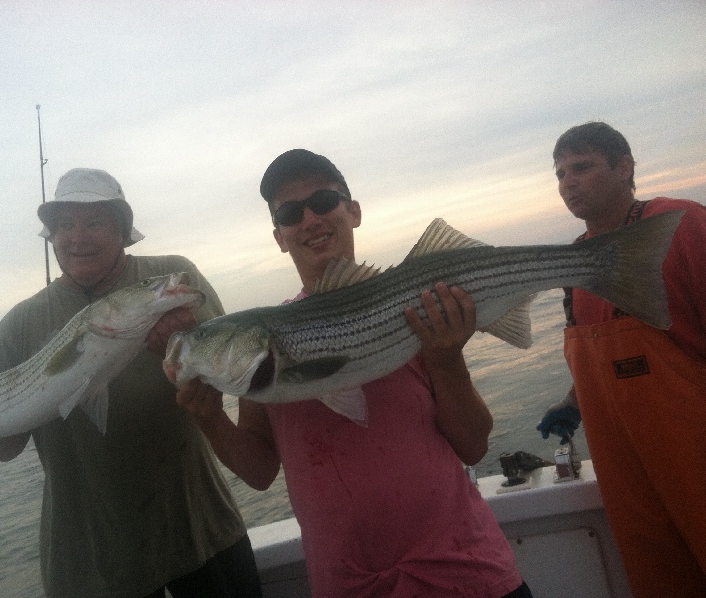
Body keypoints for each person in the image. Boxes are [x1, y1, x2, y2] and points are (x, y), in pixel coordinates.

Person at [175, 150, 532, 597]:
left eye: (323, 201)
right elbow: (260, 470)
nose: (309, 219)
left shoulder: (417, 311)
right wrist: (209, 417)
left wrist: (445, 356)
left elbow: (474, 445)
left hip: (466, 573)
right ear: (279, 237)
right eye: (289, 213)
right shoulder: (263, 360)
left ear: (353, 211)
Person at [0, 168, 263, 598]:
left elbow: (239, 373)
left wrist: (187, 347)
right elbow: (6, 443)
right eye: (65, 225)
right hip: (91, 568)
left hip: (202, 533)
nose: (77, 237)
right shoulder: (19, 325)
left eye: (94, 222)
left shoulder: (173, 277)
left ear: (123, 231)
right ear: (52, 236)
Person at [537, 122, 706, 597]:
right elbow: (592, 352)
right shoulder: (574, 264)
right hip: (627, 476)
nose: (568, 182)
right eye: (560, 172)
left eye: (582, 167)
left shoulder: (679, 224)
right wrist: (572, 400)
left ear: (625, 167)